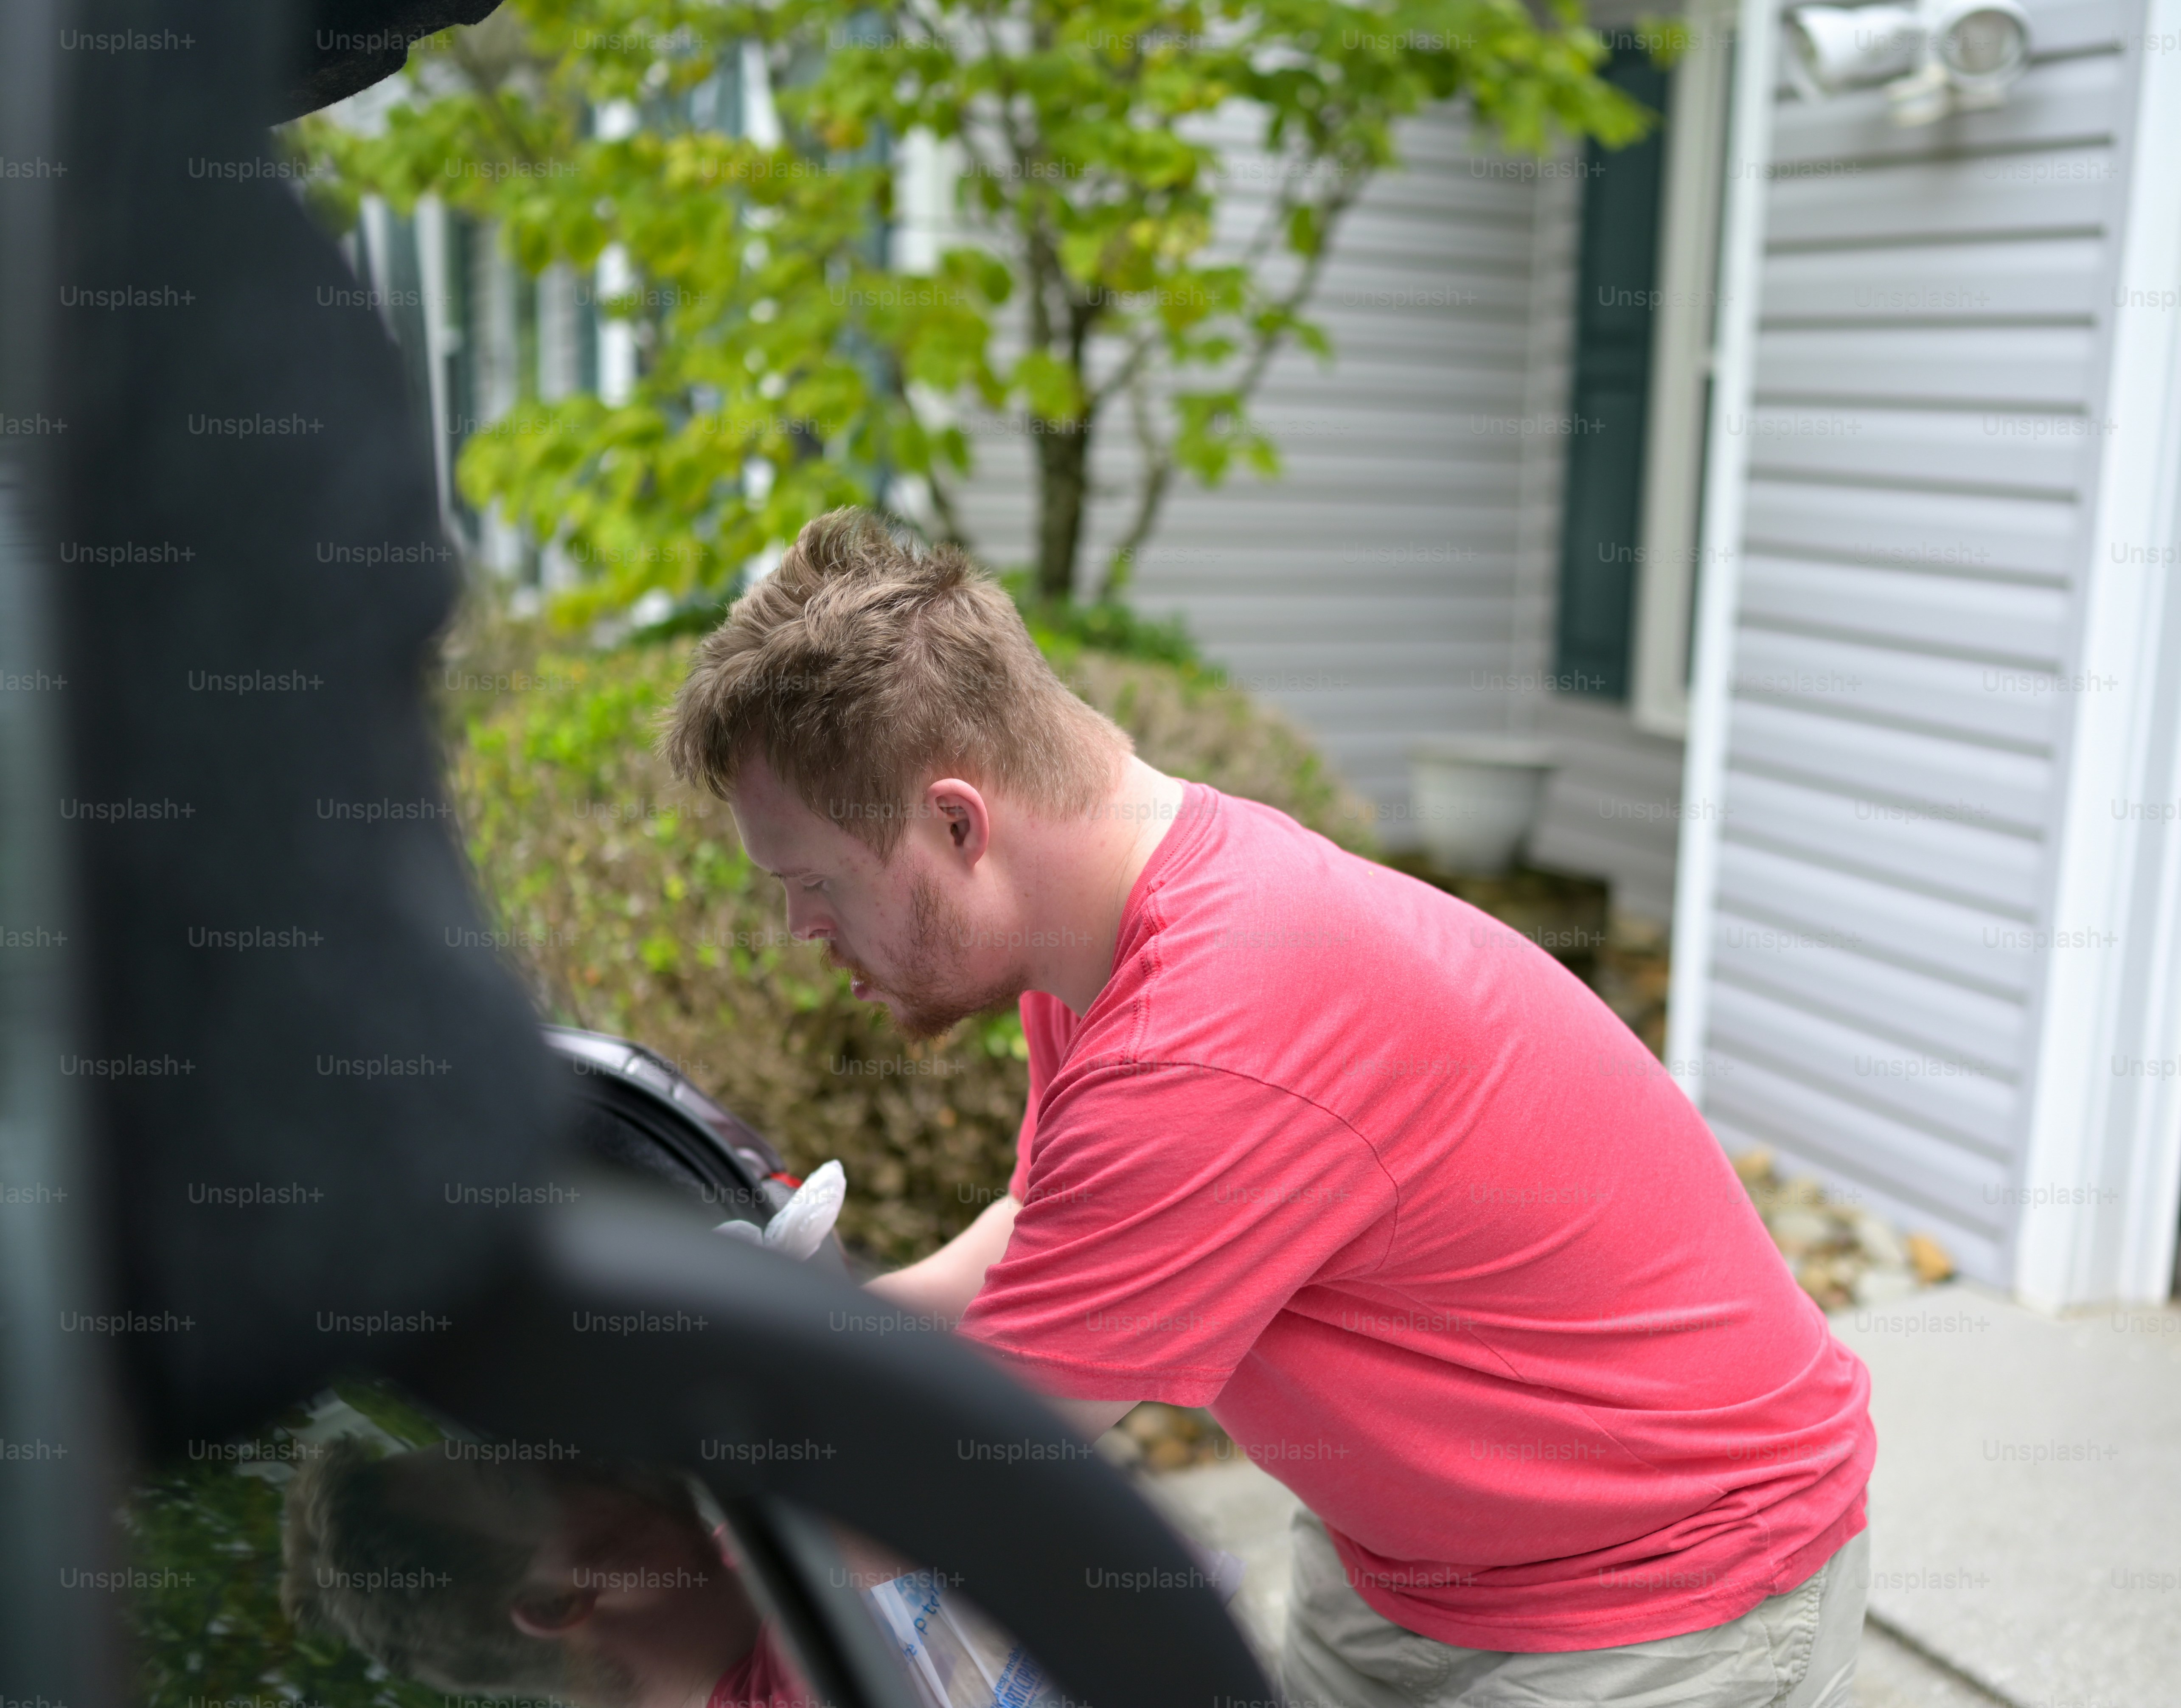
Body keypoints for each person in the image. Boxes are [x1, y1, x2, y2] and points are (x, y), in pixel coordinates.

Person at [663, 509, 1877, 1708]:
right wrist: (816, 1333)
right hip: (1413, 1573)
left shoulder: (1199, 1040)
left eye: (813, 881)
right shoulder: (1106, 934)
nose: (801, 930)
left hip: (1672, 1590)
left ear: (956, 822)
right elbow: (1044, 1234)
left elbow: (966, 1483)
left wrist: (708, 1635)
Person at [280, 1440, 814, 1708]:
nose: (557, 1449)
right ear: (556, 1604)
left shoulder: (751, 1551)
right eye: (513, 1481)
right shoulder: (815, 1674)